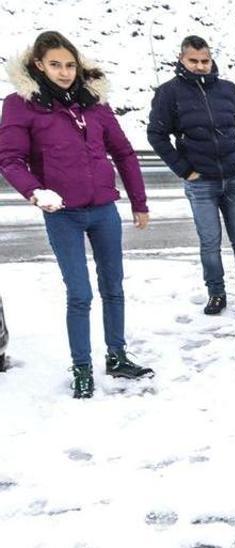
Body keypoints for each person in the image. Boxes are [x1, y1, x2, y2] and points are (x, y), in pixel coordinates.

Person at [0, 31, 155, 398]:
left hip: (103, 209)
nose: (65, 72)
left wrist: (139, 201)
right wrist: (35, 192)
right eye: (55, 65)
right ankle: (82, 367)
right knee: (80, 293)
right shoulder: (21, 104)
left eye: (70, 65)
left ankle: (117, 356)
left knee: (113, 286)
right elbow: (9, 158)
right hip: (63, 213)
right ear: (39, 65)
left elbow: (124, 153)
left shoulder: (94, 102)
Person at [147, 35, 235, 316]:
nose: (201, 66)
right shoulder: (169, 93)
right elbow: (156, 134)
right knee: (210, 243)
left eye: (205, 60)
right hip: (201, 182)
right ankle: (216, 294)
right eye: (194, 61)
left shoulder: (229, 90)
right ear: (182, 59)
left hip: (234, 179)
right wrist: (184, 169)